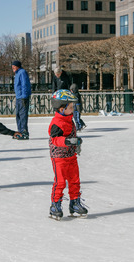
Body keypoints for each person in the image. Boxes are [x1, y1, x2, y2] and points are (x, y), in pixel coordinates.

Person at [48, 89, 87, 220]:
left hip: (71, 156)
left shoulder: (70, 120)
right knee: (60, 182)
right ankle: (55, 204)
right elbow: (54, 140)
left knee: (75, 180)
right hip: (59, 157)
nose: (73, 109)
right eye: (70, 107)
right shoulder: (56, 123)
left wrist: (76, 142)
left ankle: (75, 202)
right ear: (61, 108)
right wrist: (67, 141)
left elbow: (71, 136)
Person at [12, 60, 31, 140]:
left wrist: (24, 96)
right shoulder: (17, 74)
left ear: (17, 66)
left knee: (23, 115)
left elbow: (24, 85)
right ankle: (20, 132)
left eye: (14, 66)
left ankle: (24, 132)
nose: (12, 68)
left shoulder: (22, 72)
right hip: (18, 97)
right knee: (18, 115)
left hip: (23, 97)